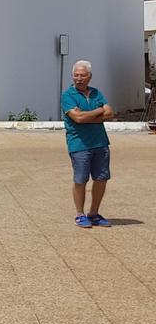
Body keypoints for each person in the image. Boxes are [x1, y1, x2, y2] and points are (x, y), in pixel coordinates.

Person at [62, 60, 114, 227]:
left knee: (101, 178)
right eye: (76, 75)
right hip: (79, 145)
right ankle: (80, 214)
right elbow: (78, 118)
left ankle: (94, 213)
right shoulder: (68, 95)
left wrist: (88, 116)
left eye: (82, 75)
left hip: (100, 143)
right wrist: (99, 111)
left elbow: (110, 113)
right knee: (80, 179)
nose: (79, 78)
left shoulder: (96, 93)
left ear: (89, 77)